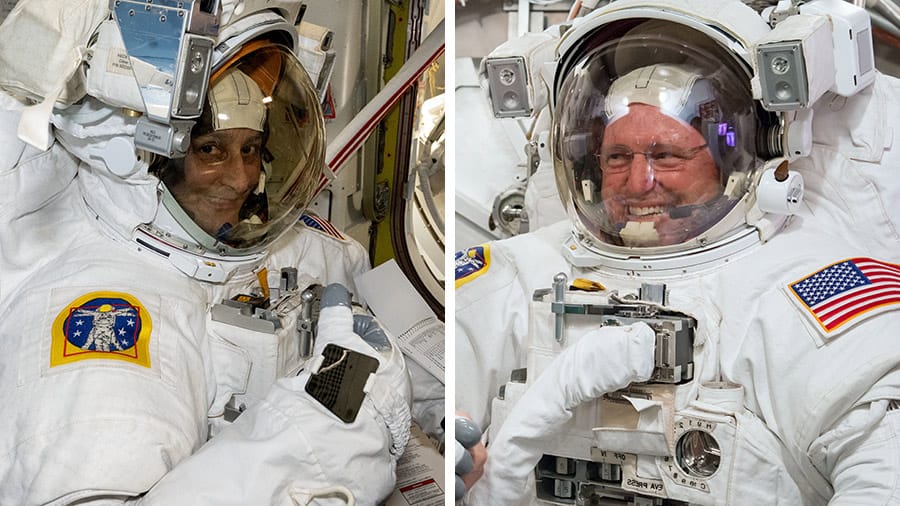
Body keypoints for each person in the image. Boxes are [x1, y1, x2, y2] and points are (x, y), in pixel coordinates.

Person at [455, 0, 900, 504]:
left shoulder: (808, 291)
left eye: (666, 156)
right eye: (618, 157)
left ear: (729, 158)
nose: (639, 182)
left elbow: (882, 468)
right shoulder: (519, 273)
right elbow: (420, 393)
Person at [0, 1, 420, 504]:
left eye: (250, 149)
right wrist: (334, 427)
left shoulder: (299, 243)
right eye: (210, 150)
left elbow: (409, 342)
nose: (242, 179)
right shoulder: (103, 319)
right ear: (143, 158)